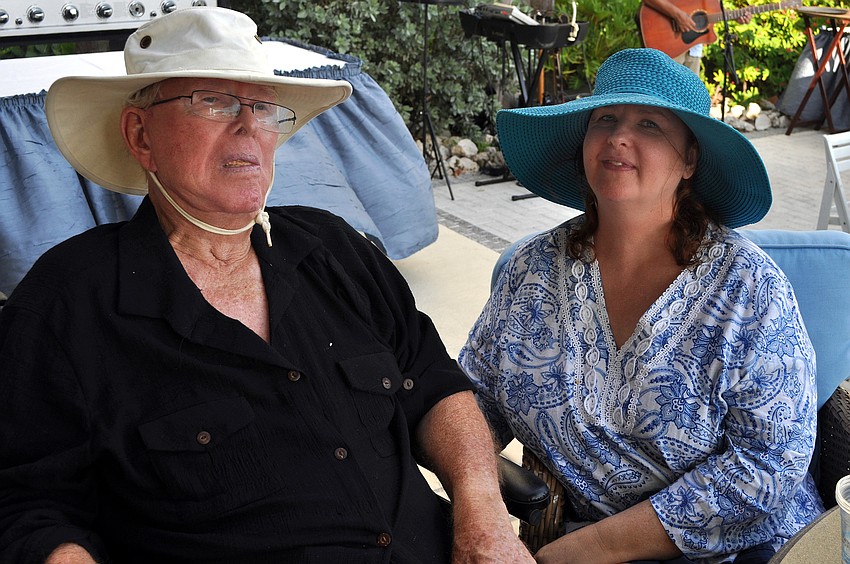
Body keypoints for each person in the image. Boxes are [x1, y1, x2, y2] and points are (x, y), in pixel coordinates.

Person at [0, 7, 534, 563]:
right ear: (141, 135)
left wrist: (483, 513)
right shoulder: (66, 306)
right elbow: (25, 502)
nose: (249, 126)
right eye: (215, 101)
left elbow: (430, 381)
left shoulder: (334, 248)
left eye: (262, 106)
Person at [458, 48, 824, 564]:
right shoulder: (533, 268)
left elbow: (770, 468)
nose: (617, 137)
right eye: (604, 119)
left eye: (649, 124)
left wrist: (583, 550)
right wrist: (478, 508)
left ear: (689, 160)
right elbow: (473, 395)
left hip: (745, 552)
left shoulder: (747, 288)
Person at [640, 0, 751, 75]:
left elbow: (709, 8)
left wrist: (735, 15)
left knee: (688, 101)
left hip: (693, 47)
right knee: (664, 98)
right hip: (667, 41)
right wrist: (678, 16)